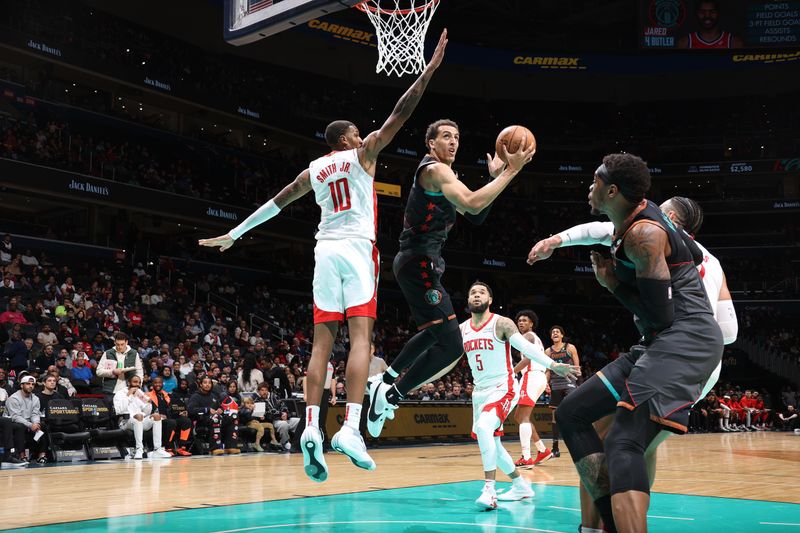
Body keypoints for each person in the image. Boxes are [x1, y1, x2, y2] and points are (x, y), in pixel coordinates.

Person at [199, 30, 449, 483]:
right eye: (357, 132)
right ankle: (351, 428)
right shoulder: (362, 155)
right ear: (349, 138)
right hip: (355, 249)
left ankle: (311, 426)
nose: (361, 135)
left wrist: (235, 233)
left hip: (323, 250)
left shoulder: (313, 169)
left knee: (320, 345)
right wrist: (429, 72)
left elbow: (276, 203)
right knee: (361, 341)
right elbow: (400, 112)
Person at [529, 194, 738, 532]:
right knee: (638, 443)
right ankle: (616, 520)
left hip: (671, 354)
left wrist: (557, 240)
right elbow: (729, 332)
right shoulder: (710, 261)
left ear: (668, 216)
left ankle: (599, 525)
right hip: (701, 362)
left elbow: (600, 229)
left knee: (611, 438)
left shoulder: (650, 232)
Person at [367, 119, 537, 439]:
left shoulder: (447, 176)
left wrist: (496, 176)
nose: (453, 141)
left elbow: (475, 214)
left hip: (422, 263)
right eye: (446, 136)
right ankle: (387, 387)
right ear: (431, 144)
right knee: (450, 345)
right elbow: (473, 202)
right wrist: (512, 171)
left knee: (440, 338)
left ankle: (387, 389)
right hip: (418, 261)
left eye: (457, 136)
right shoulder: (435, 170)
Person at [460, 281, 579, 509]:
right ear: (467, 300)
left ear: (490, 300)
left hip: (503, 387)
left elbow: (528, 351)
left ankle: (489, 491)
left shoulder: (502, 323)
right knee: (493, 444)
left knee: (485, 429)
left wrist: (553, 364)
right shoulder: (462, 329)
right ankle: (520, 485)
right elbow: (445, 360)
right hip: (480, 392)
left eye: (482, 292)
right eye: (472, 292)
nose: (476, 295)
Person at [511, 310, 553, 468]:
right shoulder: (536, 339)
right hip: (538, 377)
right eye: (519, 320)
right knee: (519, 416)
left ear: (531, 324)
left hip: (531, 376)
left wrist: (511, 372)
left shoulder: (527, 336)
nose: (521, 323)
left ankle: (526, 457)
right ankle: (542, 450)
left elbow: (528, 359)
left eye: (524, 320)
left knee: (523, 417)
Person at [114, 375, 171, 460]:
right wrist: (129, 395)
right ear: (129, 383)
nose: (138, 384)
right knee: (139, 416)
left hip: (140, 420)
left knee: (156, 416)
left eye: (139, 382)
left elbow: (146, 412)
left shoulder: (140, 394)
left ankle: (157, 449)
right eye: (135, 382)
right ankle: (139, 449)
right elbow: (120, 410)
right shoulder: (120, 393)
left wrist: (148, 403)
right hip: (125, 421)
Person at [543, 325, 580, 458]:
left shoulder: (570, 348)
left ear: (562, 335)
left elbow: (577, 368)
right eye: (552, 332)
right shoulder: (548, 352)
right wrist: (545, 383)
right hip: (555, 385)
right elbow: (547, 370)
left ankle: (577, 444)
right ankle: (555, 448)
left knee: (571, 411)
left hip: (569, 383)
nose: (555, 333)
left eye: (557, 332)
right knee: (555, 415)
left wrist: (575, 377)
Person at [187, 374, 239, 455]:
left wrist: (220, 410)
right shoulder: (195, 396)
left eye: (209, 383)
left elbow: (221, 406)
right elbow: (191, 410)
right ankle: (215, 448)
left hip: (216, 418)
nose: (207, 385)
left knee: (234, 416)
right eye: (205, 383)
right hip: (201, 420)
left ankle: (230, 446)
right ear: (201, 384)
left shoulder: (214, 395)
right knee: (216, 418)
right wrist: (207, 409)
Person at [3, 375, 46, 464]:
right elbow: (15, 417)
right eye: (28, 384)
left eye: (32, 384)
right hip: (12, 422)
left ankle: (42, 455)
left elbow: (35, 413)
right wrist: (30, 425)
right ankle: (22, 456)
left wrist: (36, 423)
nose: (31, 386)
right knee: (20, 426)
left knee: (43, 425)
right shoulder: (14, 398)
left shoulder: (35, 398)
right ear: (22, 385)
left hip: (29, 421)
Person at [677, 0, 743, 49]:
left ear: (718, 13)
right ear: (697, 13)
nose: (707, 16)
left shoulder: (734, 42)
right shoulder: (685, 43)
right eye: (702, 12)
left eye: (712, 12)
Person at [96, 332, 143, 397]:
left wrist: (139, 385)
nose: (120, 347)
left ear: (126, 342)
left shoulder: (134, 353)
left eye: (122, 344)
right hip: (110, 390)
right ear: (114, 342)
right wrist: (112, 372)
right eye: (117, 344)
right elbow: (98, 372)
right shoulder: (107, 353)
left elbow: (139, 371)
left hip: (128, 390)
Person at [146, 376, 182, 455]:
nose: (157, 384)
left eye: (159, 383)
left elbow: (170, 410)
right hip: (155, 419)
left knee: (186, 421)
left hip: (167, 418)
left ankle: (183, 446)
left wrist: (180, 413)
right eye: (155, 383)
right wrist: (159, 415)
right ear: (152, 384)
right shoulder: (147, 395)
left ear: (163, 384)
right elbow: (147, 410)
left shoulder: (166, 395)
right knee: (171, 423)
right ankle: (166, 447)